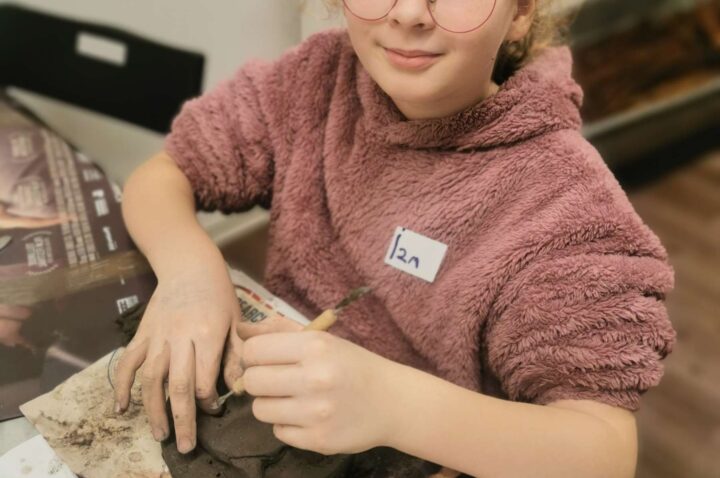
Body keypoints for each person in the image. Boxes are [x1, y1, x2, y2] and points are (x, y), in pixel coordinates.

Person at [114, 0, 677, 476]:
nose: (408, 13)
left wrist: (393, 406)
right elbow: (165, 174)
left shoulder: (562, 206)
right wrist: (190, 274)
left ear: (521, 12)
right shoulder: (316, 80)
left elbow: (603, 451)